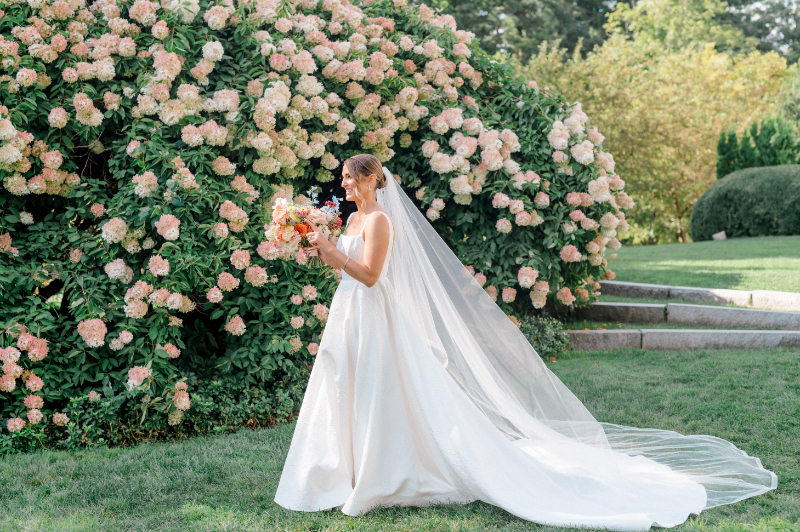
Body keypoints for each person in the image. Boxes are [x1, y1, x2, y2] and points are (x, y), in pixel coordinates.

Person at [274, 154, 777, 530]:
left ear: (370, 180)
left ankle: (392, 470)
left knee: (385, 392)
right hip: (349, 316)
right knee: (349, 386)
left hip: (375, 314)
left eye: (348, 176)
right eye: (341, 176)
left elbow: (370, 275)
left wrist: (330, 252)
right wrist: (314, 244)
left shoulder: (379, 221)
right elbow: (343, 268)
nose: (342, 182)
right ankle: (348, 467)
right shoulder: (353, 220)